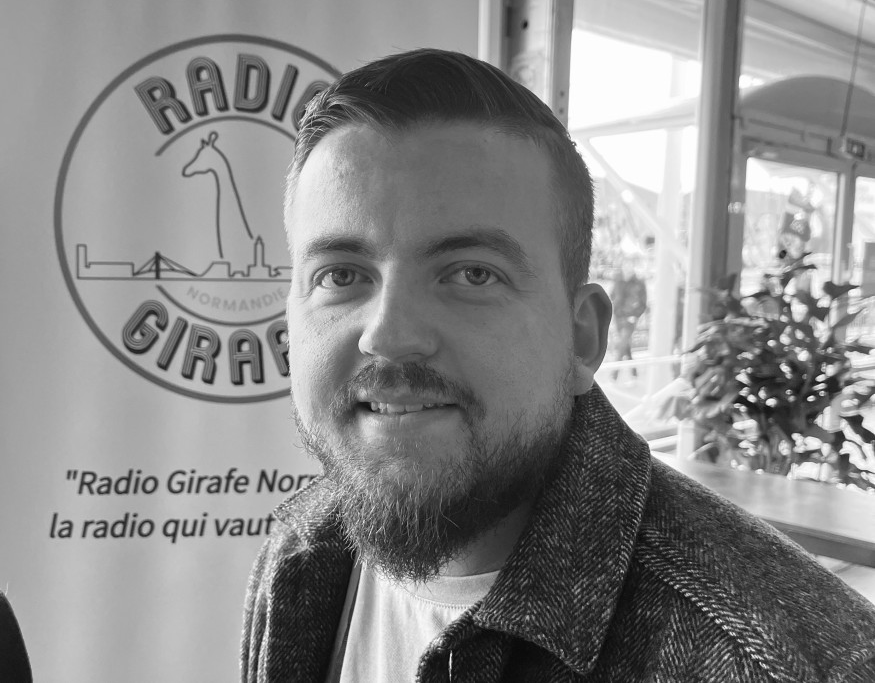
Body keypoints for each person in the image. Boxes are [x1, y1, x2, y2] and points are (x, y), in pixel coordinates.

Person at [241, 49, 875, 682]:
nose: (389, 335)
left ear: (582, 339)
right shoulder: (303, 550)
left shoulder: (775, 664)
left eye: (472, 274)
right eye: (340, 275)